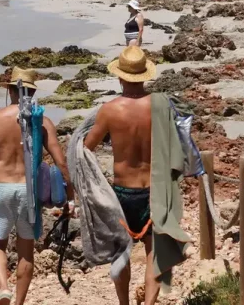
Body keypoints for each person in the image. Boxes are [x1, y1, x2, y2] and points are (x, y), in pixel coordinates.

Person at [80, 45, 188, 305]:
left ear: (119, 77)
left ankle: (124, 304)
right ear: (145, 76)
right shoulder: (160, 106)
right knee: (155, 253)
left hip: (121, 193)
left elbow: (86, 150)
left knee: (121, 253)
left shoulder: (109, 110)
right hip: (154, 190)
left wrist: (92, 188)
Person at [0, 67, 75, 305]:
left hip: (2, 188)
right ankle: (18, 303)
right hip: (30, 191)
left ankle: (4, 288)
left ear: (10, 91)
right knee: (26, 250)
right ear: (32, 92)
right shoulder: (42, 121)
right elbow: (61, 162)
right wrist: (70, 196)